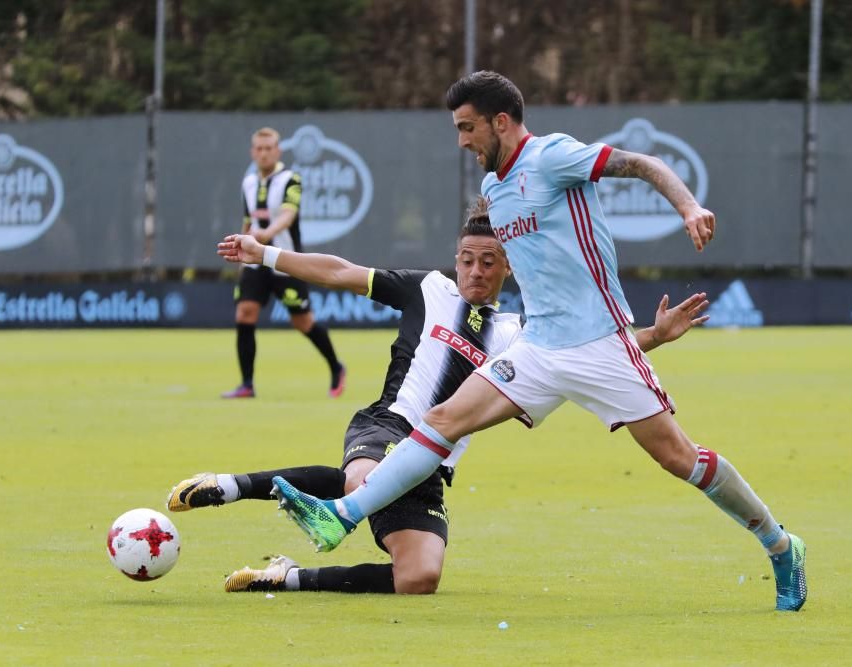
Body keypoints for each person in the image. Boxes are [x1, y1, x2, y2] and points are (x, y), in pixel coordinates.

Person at [271, 71, 808, 612]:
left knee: (680, 459)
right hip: (537, 349)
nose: (461, 141)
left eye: (467, 127)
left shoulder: (552, 157)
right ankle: (343, 514)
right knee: (441, 421)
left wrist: (688, 207)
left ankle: (781, 546)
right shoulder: (493, 189)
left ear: (499, 122)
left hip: (601, 344)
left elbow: (643, 164)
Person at [168, 197, 710, 594]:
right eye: (467, 259)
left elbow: (590, 352)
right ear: (456, 259)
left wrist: (654, 336)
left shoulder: (525, 334)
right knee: (368, 478)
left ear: (509, 266)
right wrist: (264, 253)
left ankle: (287, 577)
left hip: (434, 465)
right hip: (385, 427)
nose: (475, 271)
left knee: (419, 578)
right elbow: (339, 271)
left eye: (489, 262)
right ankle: (233, 486)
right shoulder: (428, 289)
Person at [222, 126, 345, 399]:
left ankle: (336, 367)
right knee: (245, 313)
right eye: (259, 149)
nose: (264, 154)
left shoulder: (291, 179)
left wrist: (266, 235)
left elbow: (287, 215)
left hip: (284, 261)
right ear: (253, 152)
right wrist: (239, 250)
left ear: (277, 151)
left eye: (269, 148)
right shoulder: (248, 183)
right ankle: (247, 384)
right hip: (254, 262)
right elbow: (248, 220)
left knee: (302, 322)